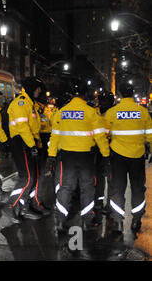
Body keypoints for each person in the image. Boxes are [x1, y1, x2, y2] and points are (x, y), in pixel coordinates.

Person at [47, 80, 110, 232]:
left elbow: (54, 136)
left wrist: (51, 155)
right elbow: (100, 137)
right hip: (86, 157)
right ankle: (87, 221)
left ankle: (60, 221)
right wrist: (106, 155)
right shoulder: (91, 112)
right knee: (87, 188)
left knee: (65, 188)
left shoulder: (62, 112)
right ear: (85, 94)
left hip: (66, 156)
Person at [104, 82, 152, 234]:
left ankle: (118, 221)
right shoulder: (142, 112)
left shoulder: (112, 112)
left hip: (117, 156)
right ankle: (136, 219)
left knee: (117, 189)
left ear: (120, 94)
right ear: (132, 93)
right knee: (138, 188)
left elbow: (105, 134)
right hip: (137, 156)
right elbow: (150, 134)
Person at [7, 77, 45, 223]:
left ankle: (24, 207)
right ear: (31, 88)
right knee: (27, 177)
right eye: (37, 88)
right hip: (22, 143)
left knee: (32, 177)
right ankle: (10, 206)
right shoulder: (21, 103)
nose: (39, 91)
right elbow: (23, 128)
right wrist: (32, 145)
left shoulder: (30, 103)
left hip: (28, 143)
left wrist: (37, 144)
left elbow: (34, 128)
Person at [93, 91, 115, 221]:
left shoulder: (113, 114)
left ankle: (110, 204)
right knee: (98, 178)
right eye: (101, 101)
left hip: (111, 150)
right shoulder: (95, 112)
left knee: (111, 179)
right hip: (97, 150)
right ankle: (99, 201)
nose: (102, 103)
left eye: (105, 101)